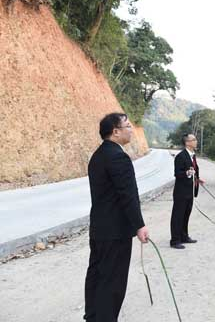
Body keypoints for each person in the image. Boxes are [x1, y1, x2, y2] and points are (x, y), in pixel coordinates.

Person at [84, 113, 149, 322]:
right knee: (112, 281)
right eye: (127, 126)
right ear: (115, 131)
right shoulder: (118, 157)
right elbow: (127, 195)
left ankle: (92, 316)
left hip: (99, 229)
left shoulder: (98, 155)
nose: (131, 130)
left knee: (96, 275)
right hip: (115, 231)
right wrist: (139, 225)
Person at [170, 133, 205, 249]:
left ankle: (184, 236)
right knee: (178, 216)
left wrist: (197, 179)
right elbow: (177, 173)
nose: (196, 141)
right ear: (187, 143)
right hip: (181, 192)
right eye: (194, 140)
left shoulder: (192, 156)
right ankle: (175, 240)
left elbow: (194, 170)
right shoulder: (181, 156)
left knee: (186, 214)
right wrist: (186, 173)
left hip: (189, 191)